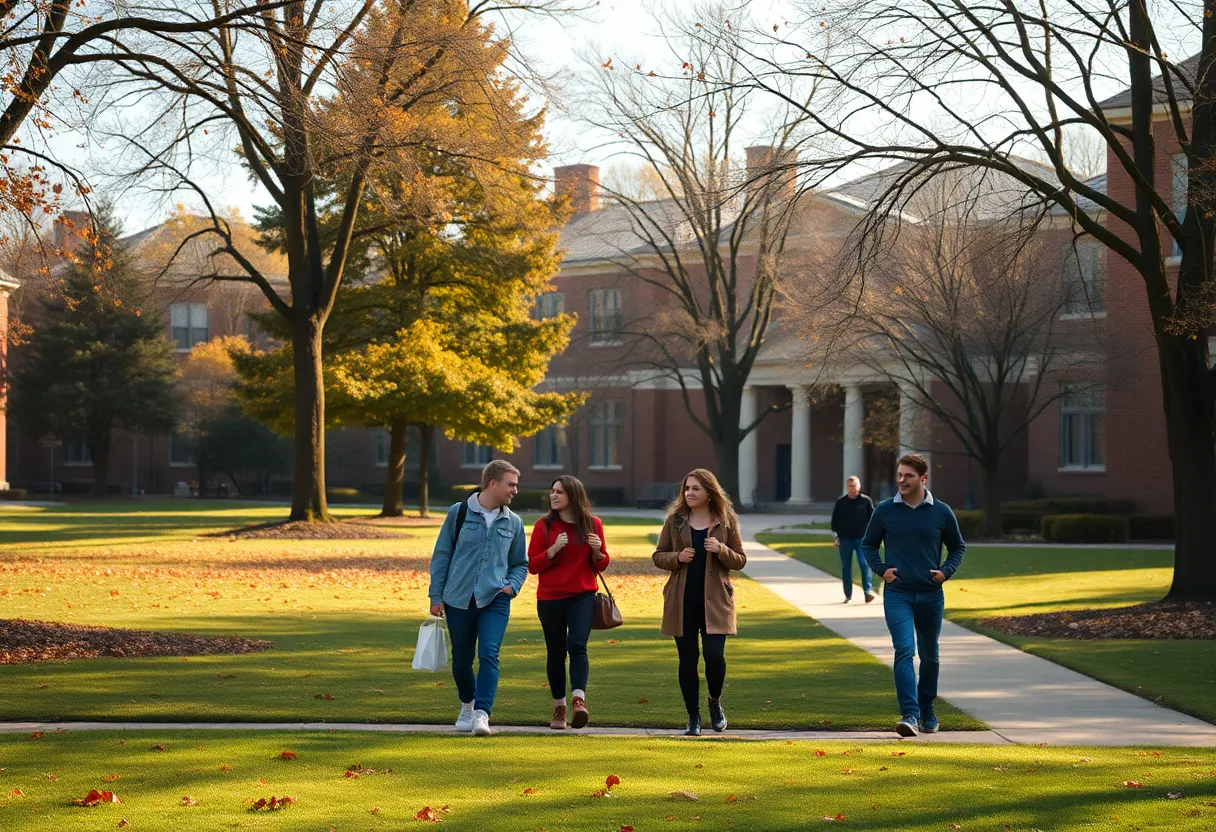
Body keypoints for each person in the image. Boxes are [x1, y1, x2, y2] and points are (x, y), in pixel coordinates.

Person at [862, 454, 965, 738]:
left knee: (930, 655)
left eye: (907, 475)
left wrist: (945, 572)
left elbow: (958, 547)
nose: (901, 481)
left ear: (923, 478)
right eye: (899, 475)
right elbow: (868, 545)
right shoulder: (884, 511)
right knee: (904, 651)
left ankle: (927, 707)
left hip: (931, 595)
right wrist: (882, 570)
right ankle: (909, 713)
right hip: (898, 594)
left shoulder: (941, 512)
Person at [427, 459, 528, 737]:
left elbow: (521, 563)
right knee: (461, 660)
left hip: (495, 599)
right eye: (511, 484)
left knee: (489, 655)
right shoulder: (458, 513)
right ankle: (468, 704)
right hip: (457, 598)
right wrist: (436, 596)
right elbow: (442, 556)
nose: (515, 491)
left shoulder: (515, 523)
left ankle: (482, 714)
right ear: (492, 483)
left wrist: (512, 585)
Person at [652, 468, 747, 736]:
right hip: (681, 601)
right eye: (687, 488)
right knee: (688, 659)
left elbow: (740, 560)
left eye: (695, 488)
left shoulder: (726, 521)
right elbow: (659, 556)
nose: (689, 493)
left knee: (714, 656)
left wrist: (722, 550)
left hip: (715, 601)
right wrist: (677, 557)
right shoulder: (675, 521)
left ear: (709, 492)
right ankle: (693, 717)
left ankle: (714, 702)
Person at [528, 475, 611, 730]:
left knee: (577, 644)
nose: (553, 496)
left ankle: (578, 700)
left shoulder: (593, 524)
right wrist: (552, 550)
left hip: (582, 596)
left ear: (573, 496)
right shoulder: (544, 526)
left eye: (559, 492)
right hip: (550, 597)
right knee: (555, 652)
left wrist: (598, 551)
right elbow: (532, 565)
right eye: (552, 491)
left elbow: (602, 564)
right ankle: (559, 708)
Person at [831, 476, 876, 603]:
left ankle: (867, 592)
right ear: (847, 487)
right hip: (845, 539)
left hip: (862, 538)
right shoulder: (841, 503)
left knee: (864, 564)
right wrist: (836, 537)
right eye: (850, 486)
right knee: (846, 567)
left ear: (859, 486)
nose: (852, 489)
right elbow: (834, 522)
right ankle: (848, 596)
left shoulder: (866, 501)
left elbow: (873, 520)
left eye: (854, 486)